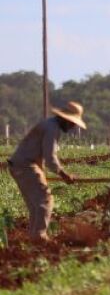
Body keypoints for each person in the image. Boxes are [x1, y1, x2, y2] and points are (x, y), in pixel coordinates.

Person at [6, 102, 85, 241]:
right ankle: (40, 237)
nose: (73, 126)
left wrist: (41, 173)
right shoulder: (52, 129)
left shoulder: (49, 124)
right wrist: (63, 174)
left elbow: (39, 153)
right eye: (72, 123)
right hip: (26, 165)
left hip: (18, 164)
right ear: (65, 119)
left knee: (35, 206)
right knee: (45, 201)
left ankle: (33, 238)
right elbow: (50, 157)